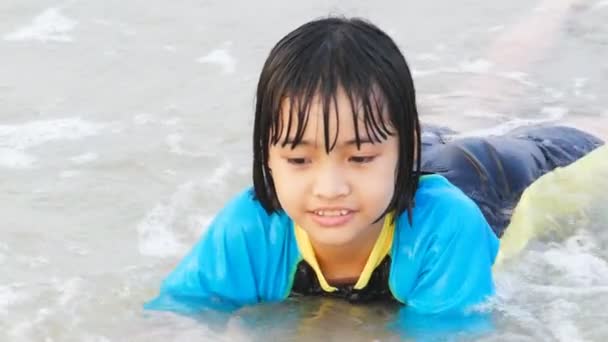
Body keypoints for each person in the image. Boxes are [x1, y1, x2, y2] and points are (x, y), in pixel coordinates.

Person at [144, 17, 603, 316]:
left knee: (563, 130)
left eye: (357, 159)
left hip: (486, 175)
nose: (329, 187)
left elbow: (447, 334)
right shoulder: (251, 227)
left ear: (403, 149)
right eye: (299, 159)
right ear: (266, 156)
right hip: (394, 150)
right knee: (479, 95)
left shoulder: (446, 229)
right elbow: (178, 315)